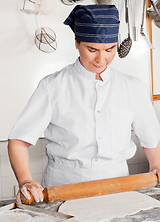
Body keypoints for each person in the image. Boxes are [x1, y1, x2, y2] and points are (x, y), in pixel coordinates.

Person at [8, 4, 160, 204]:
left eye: (109, 49)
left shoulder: (132, 87)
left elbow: (152, 139)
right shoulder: (52, 86)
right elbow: (18, 141)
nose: (101, 59)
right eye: (92, 49)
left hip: (119, 188)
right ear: (77, 43)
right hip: (62, 189)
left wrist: (156, 166)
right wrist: (26, 180)